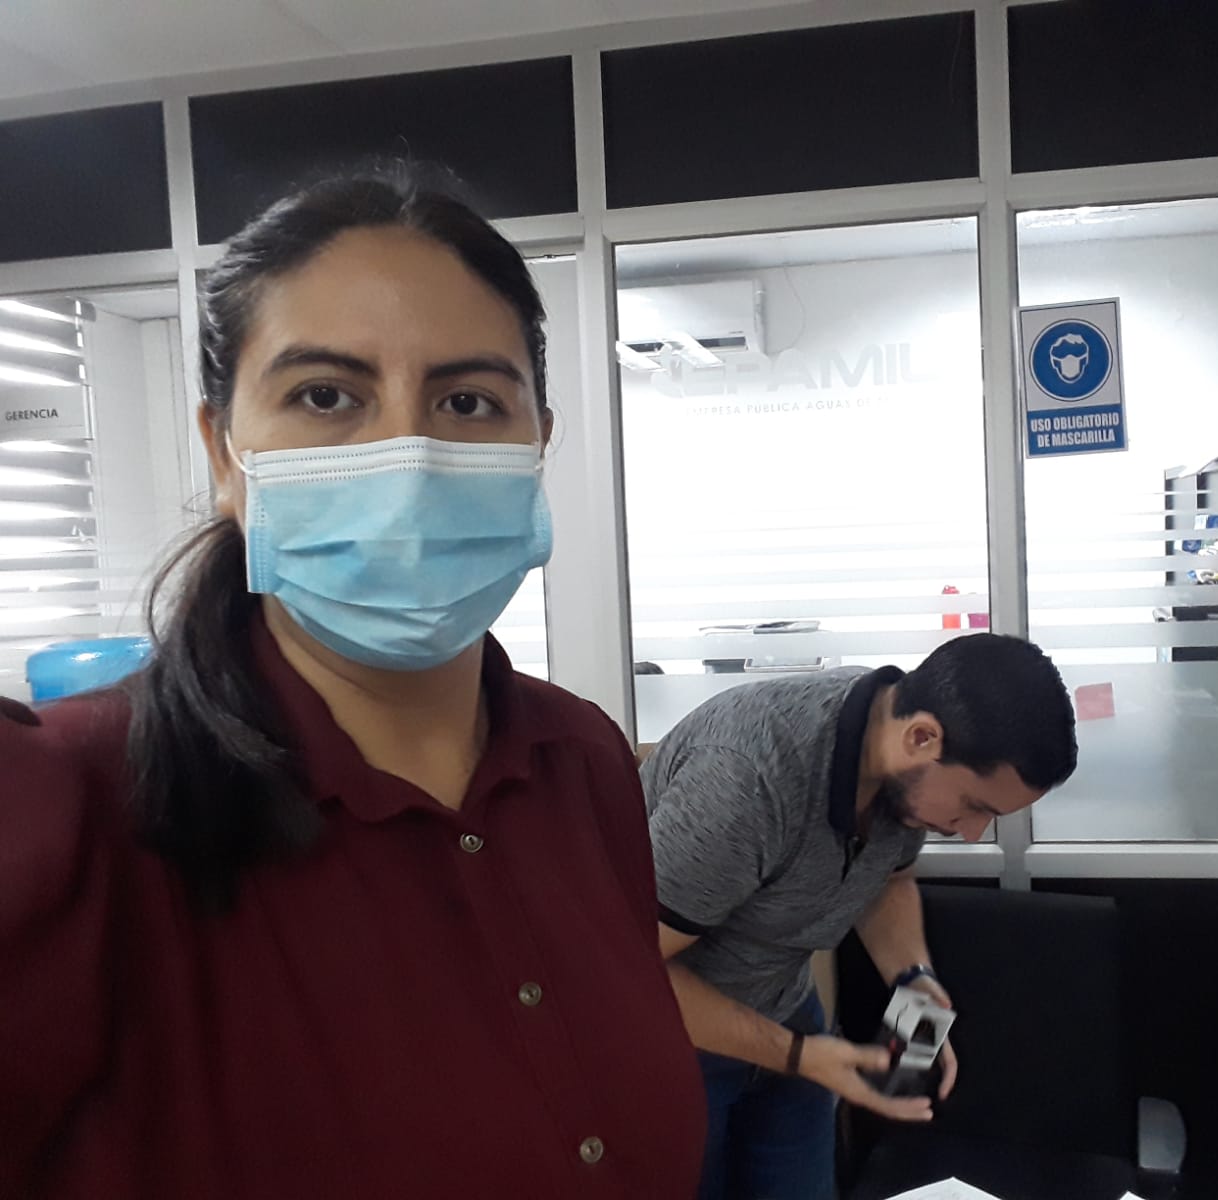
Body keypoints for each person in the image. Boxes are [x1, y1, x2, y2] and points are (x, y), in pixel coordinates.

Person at [0, 169, 705, 1199]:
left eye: (468, 402)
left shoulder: (583, 760)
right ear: (226, 454)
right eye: (326, 396)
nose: (406, 459)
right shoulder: (72, 801)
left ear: (537, 444)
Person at [643, 633, 1079, 1200]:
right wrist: (798, 1055)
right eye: (974, 807)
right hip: (675, 1046)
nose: (973, 833)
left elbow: (888, 880)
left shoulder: (893, 746)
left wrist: (914, 980)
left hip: (788, 1018)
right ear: (921, 737)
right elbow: (629, 969)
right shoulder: (746, 779)